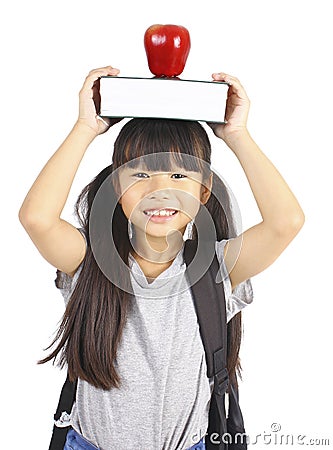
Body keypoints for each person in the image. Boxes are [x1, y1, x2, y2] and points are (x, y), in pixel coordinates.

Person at [18, 65, 305, 450]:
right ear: (116, 189)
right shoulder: (92, 263)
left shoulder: (218, 269)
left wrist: (237, 135)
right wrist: (85, 128)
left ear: (204, 193)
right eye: (139, 176)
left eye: (179, 177)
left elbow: (286, 222)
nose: (159, 192)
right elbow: (37, 218)